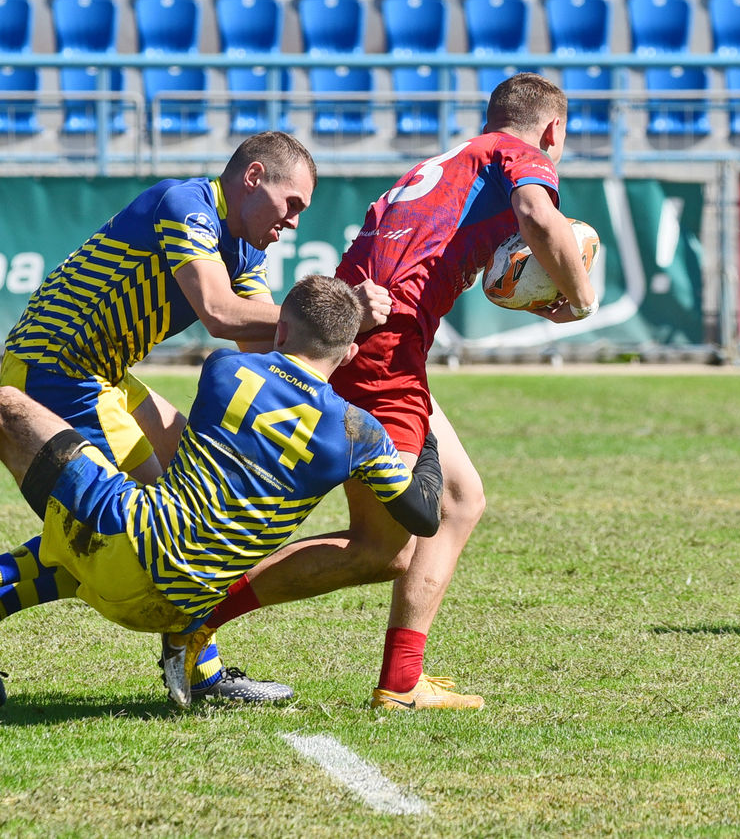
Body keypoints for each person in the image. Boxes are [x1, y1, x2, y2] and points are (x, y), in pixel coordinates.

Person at [0, 131, 391, 704]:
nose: (293, 220)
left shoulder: (243, 251)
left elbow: (278, 346)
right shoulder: (189, 205)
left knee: (190, 498)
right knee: (161, 526)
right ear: (253, 176)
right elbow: (223, 316)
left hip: (105, 376)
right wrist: (340, 315)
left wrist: (339, 333)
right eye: (291, 202)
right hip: (60, 367)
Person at [0, 276, 441, 707]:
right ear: (347, 357)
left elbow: (228, 354)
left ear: (282, 330)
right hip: (176, 613)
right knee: (140, 522)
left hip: (128, 552)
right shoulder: (361, 433)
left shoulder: (226, 370)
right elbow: (422, 515)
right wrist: (425, 426)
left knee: (5, 408)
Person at [226, 73, 600, 710]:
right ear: (553, 130)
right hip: (381, 352)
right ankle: (197, 617)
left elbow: (487, 273)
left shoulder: (450, 165)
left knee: (460, 498)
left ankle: (402, 682)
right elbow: (541, 217)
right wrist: (583, 299)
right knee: (381, 551)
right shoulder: (523, 157)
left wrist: (538, 294)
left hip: (368, 338)